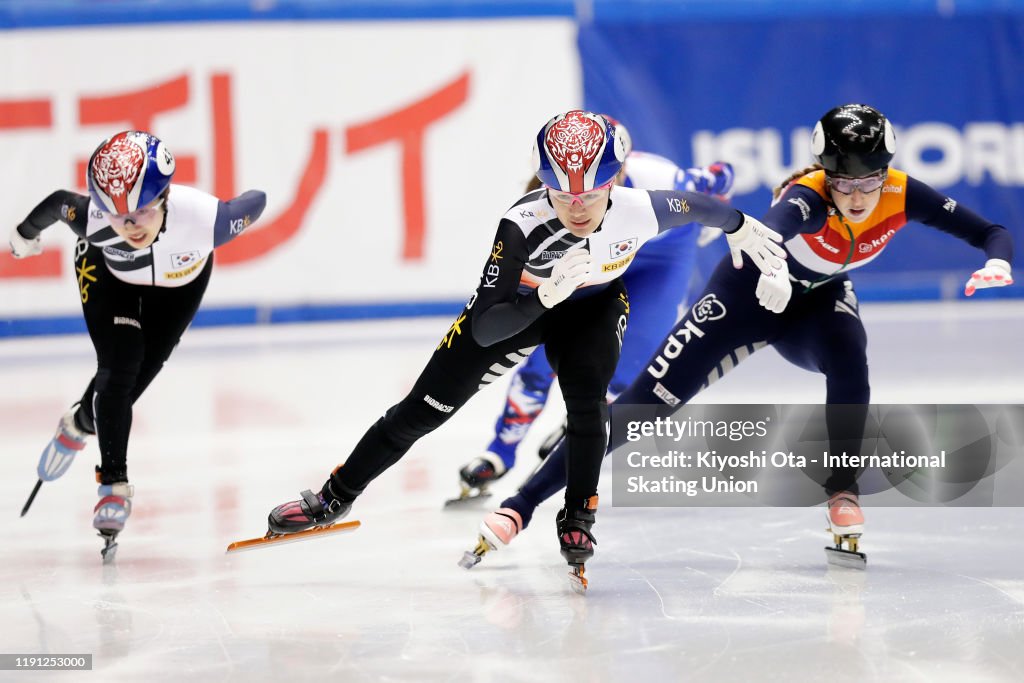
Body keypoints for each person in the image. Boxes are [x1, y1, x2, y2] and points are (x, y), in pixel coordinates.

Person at [464, 103, 1014, 569]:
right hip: (745, 297)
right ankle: (523, 503)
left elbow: (990, 231)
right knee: (636, 409)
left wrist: (999, 263)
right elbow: (769, 230)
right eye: (843, 181)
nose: (856, 195)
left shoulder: (902, 193)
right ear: (825, 173)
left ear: (887, 172)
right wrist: (772, 267)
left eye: (869, 181)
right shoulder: (808, 196)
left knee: (852, 359)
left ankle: (842, 491)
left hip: (815, 302)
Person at [264, 109, 785, 590]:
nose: (577, 208)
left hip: (591, 308)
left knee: (588, 406)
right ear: (544, 185)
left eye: (590, 195)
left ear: (614, 181)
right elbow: (487, 328)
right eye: (562, 195)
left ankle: (578, 514)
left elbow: (701, 206)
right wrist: (543, 297)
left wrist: (739, 227)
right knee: (419, 414)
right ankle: (334, 497)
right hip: (513, 312)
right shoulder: (521, 224)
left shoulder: (642, 208)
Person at [10, 130, 267, 561]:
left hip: (179, 287)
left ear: (165, 195)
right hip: (110, 279)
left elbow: (255, 200)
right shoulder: (91, 219)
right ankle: (114, 486)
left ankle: (78, 422)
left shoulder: (207, 221)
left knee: (117, 398)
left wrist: (23, 235)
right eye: (116, 214)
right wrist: (24, 235)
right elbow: (58, 202)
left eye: (142, 211)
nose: (130, 225)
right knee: (120, 366)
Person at [450, 147, 736, 504]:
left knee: (628, 365)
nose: (580, 196)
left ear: (623, 173)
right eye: (568, 191)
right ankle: (501, 451)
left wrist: (717, 208)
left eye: (595, 186)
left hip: (662, 259)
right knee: (544, 352)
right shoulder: (555, 202)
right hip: (598, 252)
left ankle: (577, 432)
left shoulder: (662, 181)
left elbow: (723, 173)